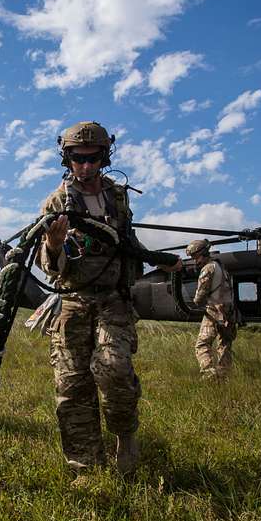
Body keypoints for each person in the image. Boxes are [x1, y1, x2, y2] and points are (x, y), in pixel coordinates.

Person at [38, 121, 180, 476]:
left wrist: (164, 261)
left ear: (105, 157)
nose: (85, 167)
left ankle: (125, 435)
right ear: (66, 158)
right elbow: (50, 267)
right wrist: (54, 244)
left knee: (113, 367)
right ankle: (85, 465)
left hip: (114, 300)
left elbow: (126, 244)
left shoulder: (117, 197)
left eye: (93, 159)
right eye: (77, 159)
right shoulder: (55, 202)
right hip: (71, 302)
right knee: (72, 385)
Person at [188, 239, 237, 381]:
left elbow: (200, 296)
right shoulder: (221, 267)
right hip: (229, 311)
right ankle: (224, 374)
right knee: (225, 344)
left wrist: (196, 301)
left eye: (195, 257)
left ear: (201, 254)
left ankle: (209, 375)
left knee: (202, 344)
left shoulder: (208, 269)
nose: (195, 261)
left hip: (214, 312)